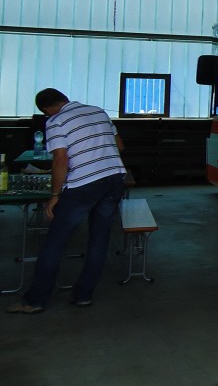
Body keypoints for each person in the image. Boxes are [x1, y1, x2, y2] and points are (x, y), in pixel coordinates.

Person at [6, 88, 127, 313]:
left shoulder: (56, 121)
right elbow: (119, 146)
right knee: (99, 240)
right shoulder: (98, 111)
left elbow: (60, 160)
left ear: (45, 109)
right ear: (64, 98)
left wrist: (54, 195)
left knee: (55, 242)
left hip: (84, 184)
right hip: (115, 179)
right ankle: (83, 295)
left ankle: (35, 301)